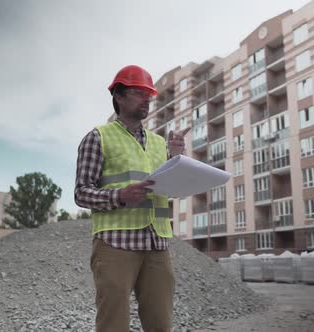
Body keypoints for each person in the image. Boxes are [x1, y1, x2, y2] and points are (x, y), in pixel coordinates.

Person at [74, 65, 190, 332]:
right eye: (139, 93)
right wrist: (120, 196)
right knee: (113, 324)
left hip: (157, 244)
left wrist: (175, 157)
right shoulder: (97, 138)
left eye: (148, 94)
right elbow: (81, 192)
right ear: (119, 96)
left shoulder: (159, 143)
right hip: (116, 244)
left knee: (161, 324)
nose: (147, 99)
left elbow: (170, 189)